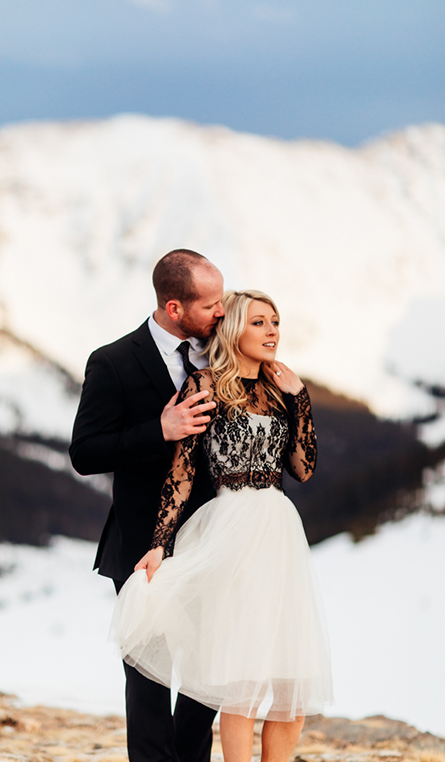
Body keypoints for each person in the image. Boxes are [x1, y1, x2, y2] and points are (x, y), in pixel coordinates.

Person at [111, 290, 333, 762]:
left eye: (275, 321)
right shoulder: (204, 384)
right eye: (259, 322)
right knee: (244, 681)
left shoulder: (281, 389)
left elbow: (303, 467)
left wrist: (300, 399)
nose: (273, 331)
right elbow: (183, 472)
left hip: (279, 532)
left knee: (290, 685)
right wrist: (159, 544)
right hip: (229, 529)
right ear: (233, 328)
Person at [70, 248, 224, 762]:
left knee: (208, 677)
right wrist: (159, 430)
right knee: (149, 681)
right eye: (211, 305)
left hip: (213, 542)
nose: (222, 314)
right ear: (175, 307)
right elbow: (85, 452)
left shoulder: (224, 355)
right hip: (140, 545)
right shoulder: (111, 361)